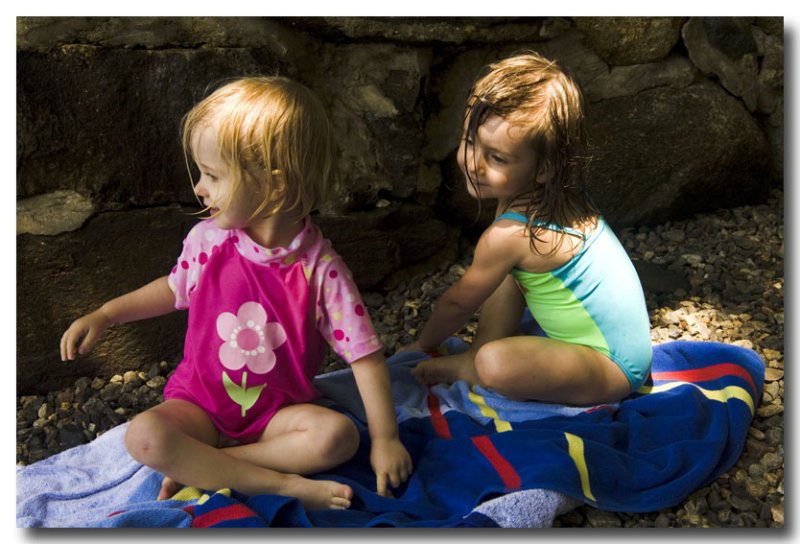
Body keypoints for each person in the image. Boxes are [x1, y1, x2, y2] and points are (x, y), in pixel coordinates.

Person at [60, 76, 412, 510]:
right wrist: (106, 314)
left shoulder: (319, 270)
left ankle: (211, 466)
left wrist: (386, 438)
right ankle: (282, 484)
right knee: (144, 436)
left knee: (339, 437)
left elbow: (365, 356)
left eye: (212, 175)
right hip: (199, 405)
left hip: (275, 419)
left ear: (274, 186)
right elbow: (173, 289)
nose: (198, 187)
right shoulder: (208, 241)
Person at [403, 52, 652, 406]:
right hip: (623, 347)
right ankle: (475, 355)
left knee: (495, 363)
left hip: (611, 368)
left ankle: (477, 363)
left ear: (544, 169)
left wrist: (424, 344)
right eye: (470, 140)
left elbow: (459, 303)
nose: (472, 163)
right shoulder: (560, 197)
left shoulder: (510, 235)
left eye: (497, 157)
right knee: (505, 273)